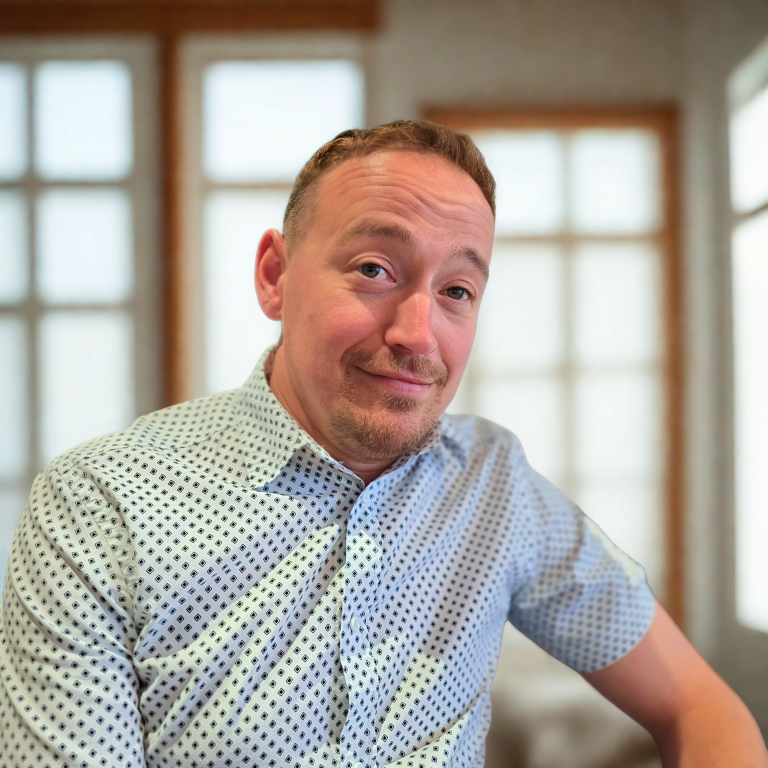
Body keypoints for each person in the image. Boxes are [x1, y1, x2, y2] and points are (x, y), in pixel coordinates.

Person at [0, 120, 765, 768]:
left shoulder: (492, 483)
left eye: (456, 291)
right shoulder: (99, 506)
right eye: (374, 269)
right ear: (275, 275)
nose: (416, 333)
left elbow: (698, 705)